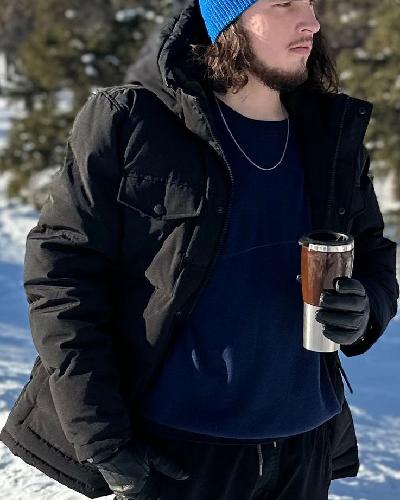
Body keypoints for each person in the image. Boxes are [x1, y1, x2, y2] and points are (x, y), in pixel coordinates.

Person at [1, 0, 398, 499]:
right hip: (178, 457)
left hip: (304, 450)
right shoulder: (133, 121)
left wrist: (365, 307)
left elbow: (374, 255)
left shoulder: (328, 135)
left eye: (311, 3)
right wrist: (103, 441)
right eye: (284, 3)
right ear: (225, 18)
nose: (312, 22)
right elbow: (61, 280)